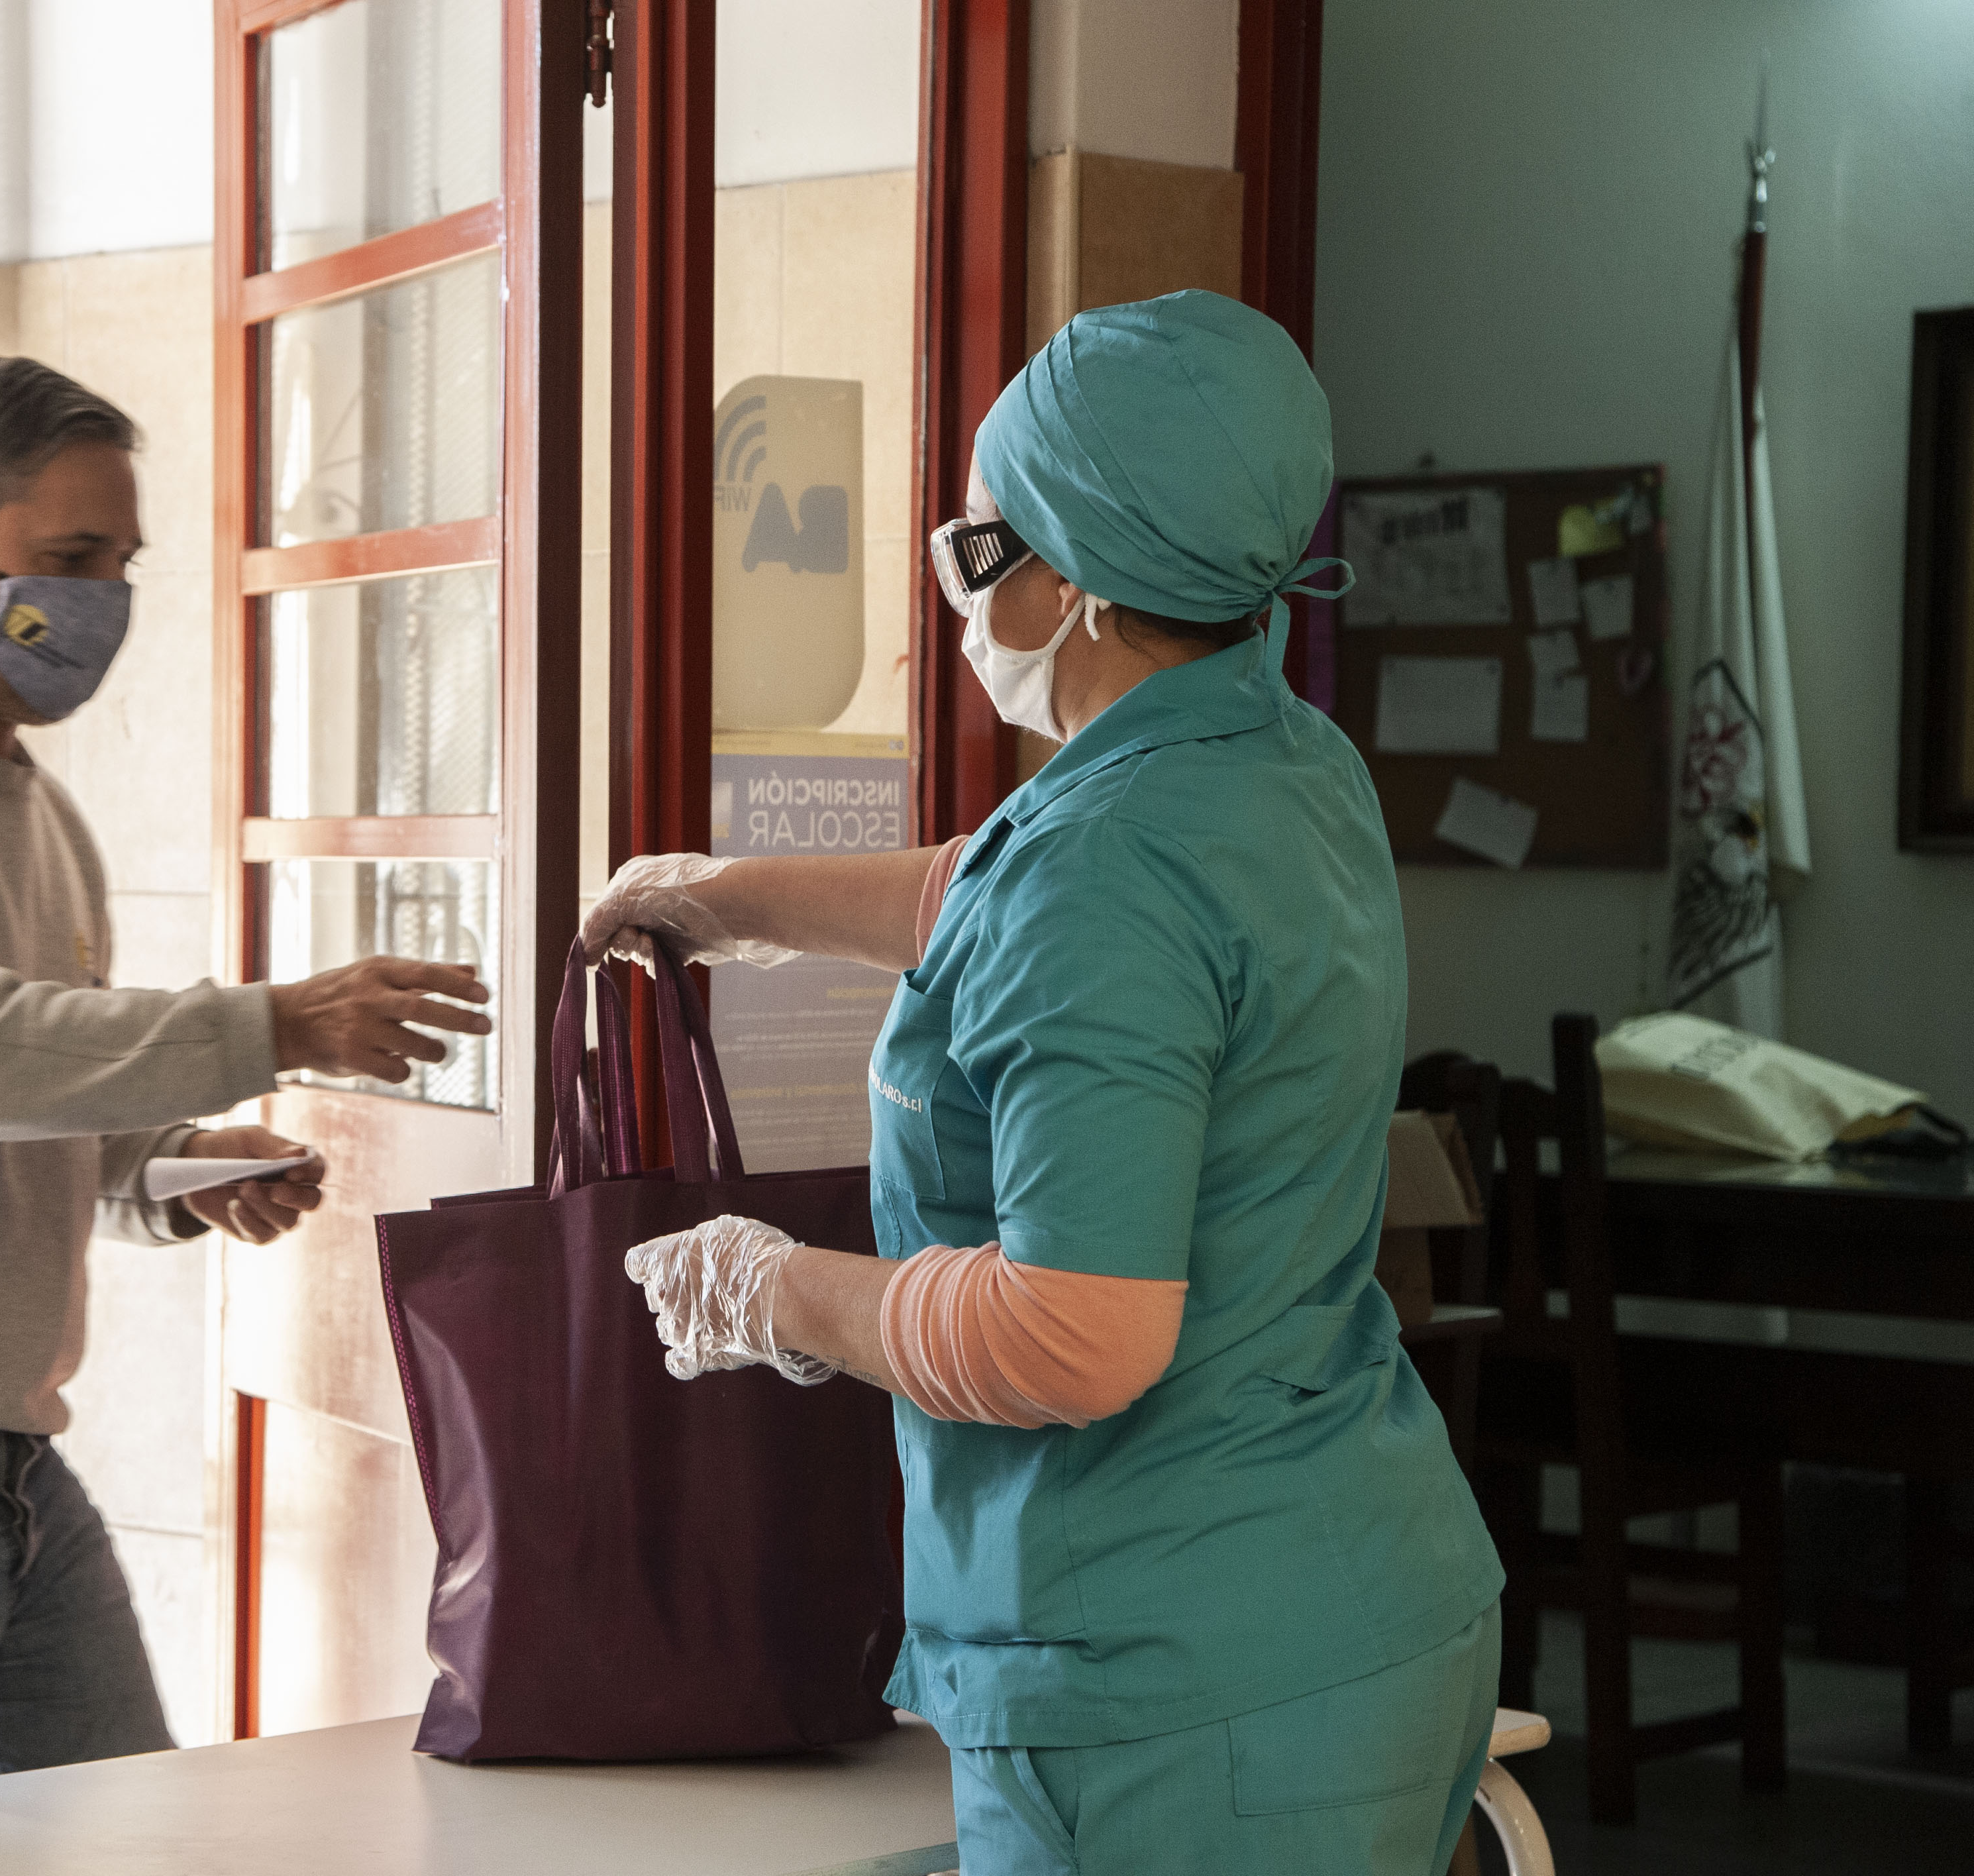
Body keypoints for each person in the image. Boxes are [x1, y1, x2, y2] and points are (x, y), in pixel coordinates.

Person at [591, 291, 1503, 1875]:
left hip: (1173, 1691)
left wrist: (773, 1293)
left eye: (971, 546)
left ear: (1070, 582)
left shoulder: (1105, 871)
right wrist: (741, 897)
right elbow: (1010, 900)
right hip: (1359, 1607)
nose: (950, 591)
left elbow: (1079, 1333)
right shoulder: (1282, 765)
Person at [0, 357, 491, 1867]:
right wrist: (277, 1020)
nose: (106, 601)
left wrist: (171, 1174)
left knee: (123, 1838)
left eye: (121, 563)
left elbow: (31, 1117)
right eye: (70, 562)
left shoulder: (32, 807)